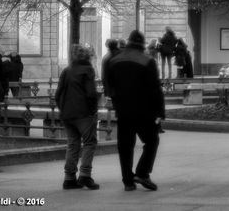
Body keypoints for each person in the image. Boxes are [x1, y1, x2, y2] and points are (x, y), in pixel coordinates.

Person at [104, 29, 165, 192]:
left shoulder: (114, 61)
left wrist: (116, 101)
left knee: (125, 146)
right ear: (142, 44)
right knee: (152, 141)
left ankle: (128, 181)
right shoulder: (147, 61)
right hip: (144, 111)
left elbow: (109, 85)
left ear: (129, 42)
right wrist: (160, 112)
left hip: (123, 111)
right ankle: (142, 172)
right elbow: (155, 89)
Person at [55, 44, 100, 190]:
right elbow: (91, 93)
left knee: (72, 144)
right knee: (89, 143)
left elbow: (58, 94)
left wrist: (63, 108)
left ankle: (69, 178)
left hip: (67, 114)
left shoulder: (66, 70)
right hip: (83, 114)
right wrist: (93, 110)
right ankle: (85, 175)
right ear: (88, 57)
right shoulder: (87, 70)